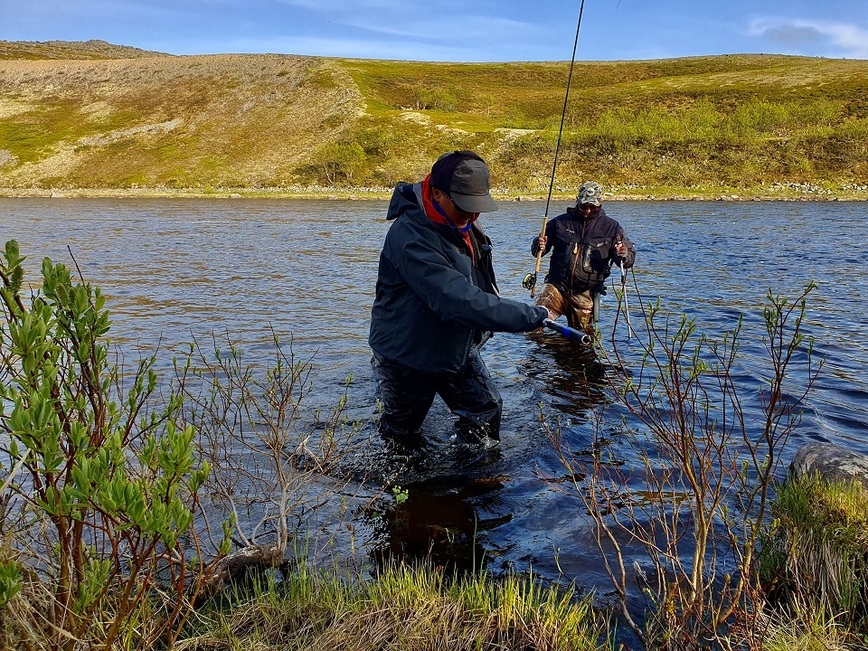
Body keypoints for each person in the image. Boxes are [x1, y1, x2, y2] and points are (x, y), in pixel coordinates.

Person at [369, 150, 555, 447]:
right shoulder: (409, 235)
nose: (471, 215)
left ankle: (475, 484)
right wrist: (530, 315)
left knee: (485, 410)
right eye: (465, 207)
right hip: (407, 353)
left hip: (453, 342)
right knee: (402, 434)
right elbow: (456, 299)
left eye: (477, 207)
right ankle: (406, 490)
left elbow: (475, 281)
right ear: (438, 193)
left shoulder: (462, 220)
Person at [531, 181, 636, 335]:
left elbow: (628, 260)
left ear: (600, 203)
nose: (587, 211)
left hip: (585, 293)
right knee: (534, 323)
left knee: (582, 340)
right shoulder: (560, 222)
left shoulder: (612, 228)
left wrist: (623, 253)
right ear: (577, 202)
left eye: (592, 207)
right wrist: (539, 245)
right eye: (584, 206)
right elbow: (537, 251)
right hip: (555, 286)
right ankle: (545, 354)